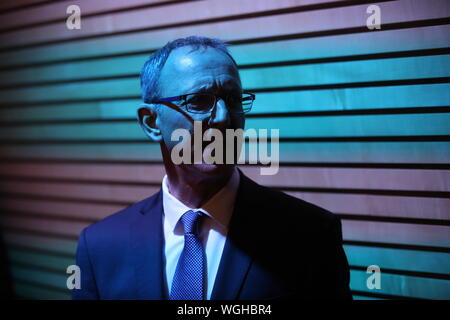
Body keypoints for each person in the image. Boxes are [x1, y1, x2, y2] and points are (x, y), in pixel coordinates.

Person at [72, 36, 352, 300]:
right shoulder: (100, 247)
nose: (222, 118)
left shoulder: (310, 235)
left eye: (232, 100)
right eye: (197, 100)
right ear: (152, 123)